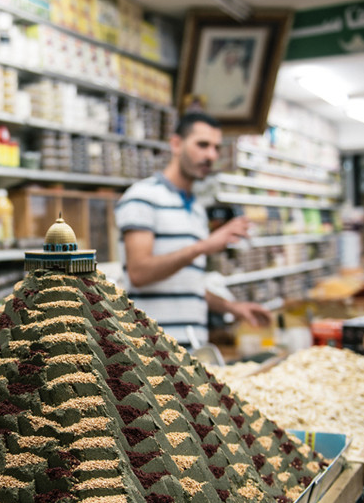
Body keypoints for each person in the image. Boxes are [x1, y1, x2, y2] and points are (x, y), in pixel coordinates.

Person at [114, 109, 272, 349]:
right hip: (153, 352)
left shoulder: (197, 209)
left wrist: (231, 307)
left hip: (193, 350)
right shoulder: (142, 197)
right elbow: (138, 273)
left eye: (216, 148)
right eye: (202, 145)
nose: (211, 155)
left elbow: (187, 286)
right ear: (176, 144)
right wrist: (203, 247)